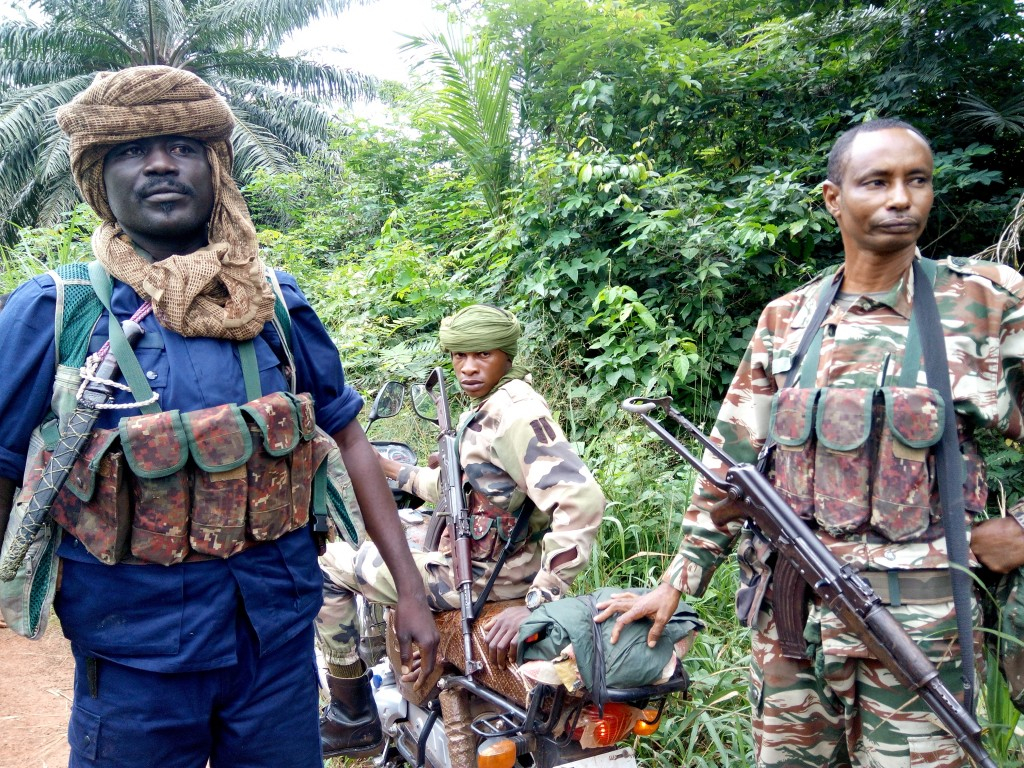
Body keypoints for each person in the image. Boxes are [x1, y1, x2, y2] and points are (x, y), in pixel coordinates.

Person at [0, 65, 437, 768]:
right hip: (131, 659)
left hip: (274, 650)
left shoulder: (273, 305)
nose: (162, 164)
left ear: (216, 167)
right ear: (98, 180)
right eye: (132, 151)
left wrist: (410, 594)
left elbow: (348, 437)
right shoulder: (55, 311)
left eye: (183, 145)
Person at [595, 118, 1024, 767]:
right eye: (877, 181)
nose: (901, 198)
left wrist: (1018, 529)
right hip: (793, 629)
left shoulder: (984, 301)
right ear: (833, 198)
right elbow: (730, 461)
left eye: (918, 181)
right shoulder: (787, 320)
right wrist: (678, 583)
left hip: (922, 632)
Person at [316, 303, 606, 756]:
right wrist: (395, 470)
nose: (468, 367)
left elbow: (581, 500)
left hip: (477, 581)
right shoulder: (491, 409)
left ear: (506, 356)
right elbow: (469, 492)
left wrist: (539, 599)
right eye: (459, 356)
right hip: (488, 567)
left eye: (483, 355)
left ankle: (351, 714)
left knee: (328, 564)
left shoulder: (514, 415)